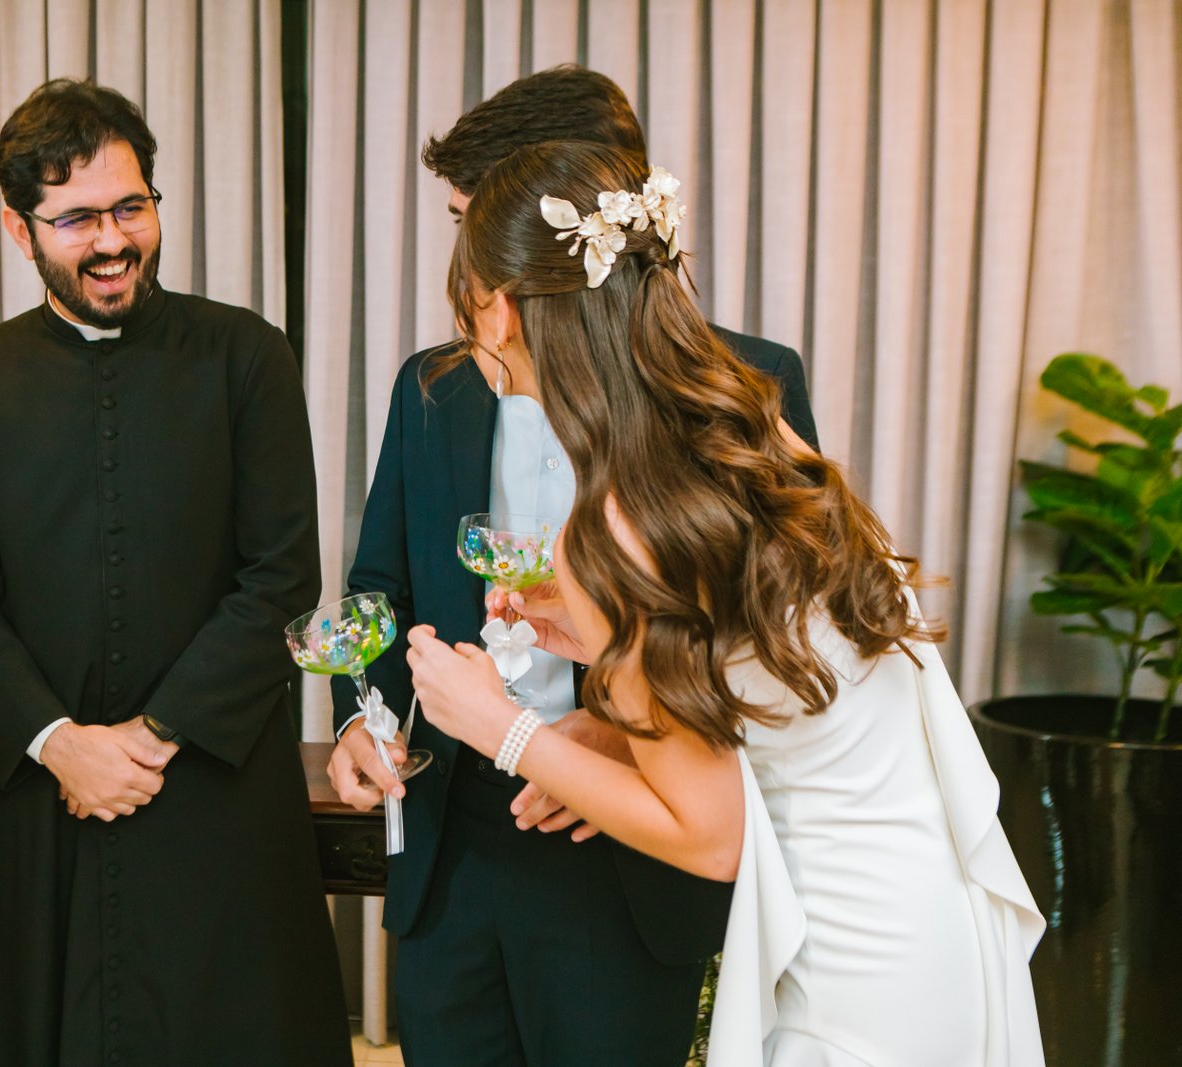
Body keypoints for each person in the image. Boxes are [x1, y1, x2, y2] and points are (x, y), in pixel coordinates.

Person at [405, 139, 1045, 1065]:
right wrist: (604, 651)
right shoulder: (742, 422)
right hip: (927, 914)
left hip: (839, 954)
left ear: (498, 308)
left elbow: (709, 837)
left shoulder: (615, 519)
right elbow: (763, 660)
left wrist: (499, 726)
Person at [326, 65, 818, 1065]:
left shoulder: (741, 390)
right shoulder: (433, 386)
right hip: (456, 833)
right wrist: (360, 720)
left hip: (632, 846)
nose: (473, 277)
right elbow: (380, 584)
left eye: (484, 226)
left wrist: (615, 735)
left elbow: (767, 637)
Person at [0, 78, 350, 1066]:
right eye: (77, 219)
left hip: (210, 783)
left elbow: (280, 577)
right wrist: (61, 742)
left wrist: (148, 740)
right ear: (20, 229)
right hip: (32, 791)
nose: (111, 241)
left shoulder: (246, 355)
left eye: (130, 208)